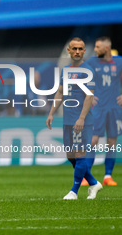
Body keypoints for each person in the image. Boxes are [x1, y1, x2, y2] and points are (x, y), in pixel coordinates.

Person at [46, 37, 102, 200]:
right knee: (70, 156)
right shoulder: (66, 70)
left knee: (79, 154)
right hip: (68, 119)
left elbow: (89, 96)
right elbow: (60, 92)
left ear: (84, 51)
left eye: (80, 49)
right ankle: (93, 182)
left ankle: (74, 192)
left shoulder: (88, 70)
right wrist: (51, 113)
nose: (77, 51)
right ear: (69, 51)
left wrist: (82, 118)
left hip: (81, 120)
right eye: (74, 49)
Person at [82, 37, 122, 186]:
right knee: (93, 141)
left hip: (115, 108)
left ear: (106, 49)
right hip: (98, 108)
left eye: (98, 47)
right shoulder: (92, 62)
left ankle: (108, 176)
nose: (95, 49)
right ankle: (87, 176)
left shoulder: (119, 62)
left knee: (112, 142)